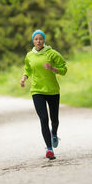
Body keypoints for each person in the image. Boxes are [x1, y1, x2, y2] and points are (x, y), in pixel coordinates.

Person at [20, 29, 67, 159]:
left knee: (54, 120)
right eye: (36, 39)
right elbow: (28, 69)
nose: (38, 41)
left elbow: (64, 69)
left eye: (40, 38)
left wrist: (52, 68)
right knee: (44, 119)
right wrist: (24, 78)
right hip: (37, 91)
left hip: (52, 90)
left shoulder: (52, 54)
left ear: (44, 40)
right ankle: (49, 149)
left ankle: (54, 134)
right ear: (33, 41)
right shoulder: (29, 55)